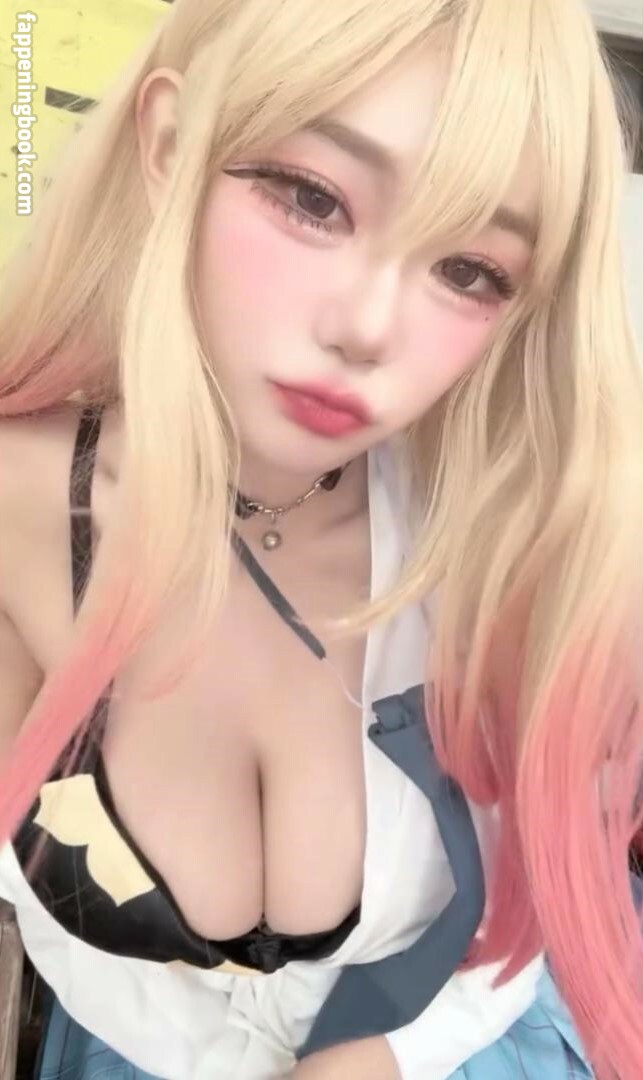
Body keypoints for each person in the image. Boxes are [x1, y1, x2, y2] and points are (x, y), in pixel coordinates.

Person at [0, 0, 642, 1077]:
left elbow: (542, 888)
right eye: (312, 198)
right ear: (170, 146)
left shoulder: (513, 530)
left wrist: (393, 1055)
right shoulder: (18, 511)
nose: (367, 327)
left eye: (469, 270)